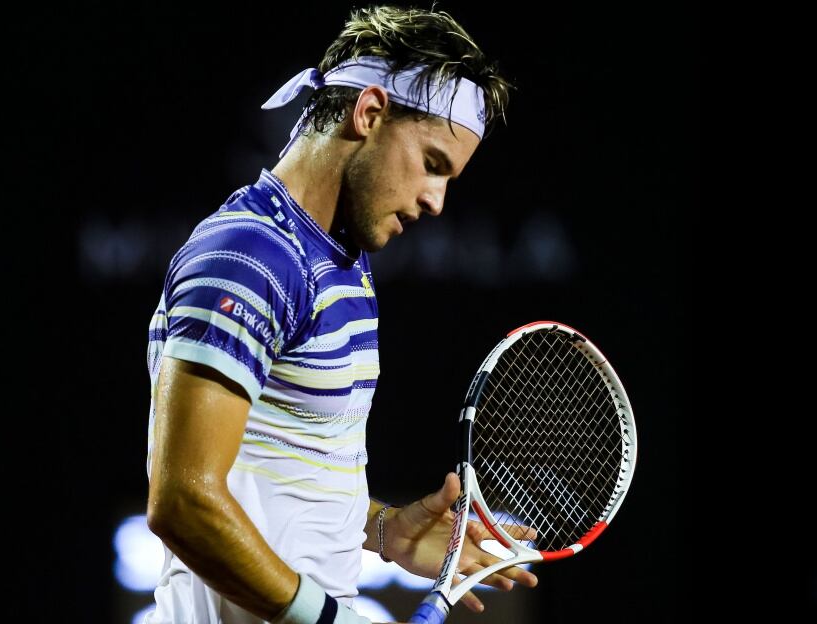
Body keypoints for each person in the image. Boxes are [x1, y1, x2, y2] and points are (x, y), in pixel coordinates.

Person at [142, 6, 537, 624]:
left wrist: (385, 531)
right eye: (433, 164)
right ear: (370, 113)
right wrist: (329, 620)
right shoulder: (251, 257)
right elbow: (183, 503)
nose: (436, 201)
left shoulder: (340, 261)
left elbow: (281, 473)